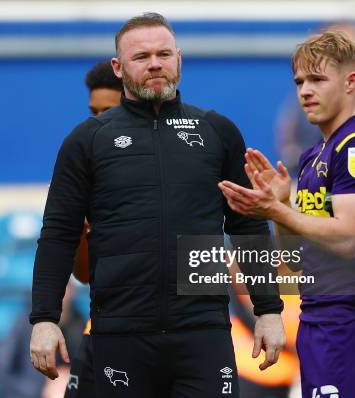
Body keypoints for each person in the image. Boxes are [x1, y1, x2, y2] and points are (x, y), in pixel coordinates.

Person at [30, 13, 285, 398]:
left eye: (164, 54)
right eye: (141, 56)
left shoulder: (217, 132)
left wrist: (268, 310)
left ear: (178, 59)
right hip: (121, 332)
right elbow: (58, 235)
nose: (155, 64)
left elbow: (246, 226)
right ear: (118, 67)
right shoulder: (87, 141)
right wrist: (45, 319)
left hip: (203, 330)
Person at [219, 30, 355, 397]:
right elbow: (297, 256)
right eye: (300, 81)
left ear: (351, 82)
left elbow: (349, 237)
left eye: (317, 79)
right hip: (319, 312)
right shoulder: (314, 155)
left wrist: (275, 209)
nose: (305, 91)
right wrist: (281, 207)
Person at [65, 60, 123, 398]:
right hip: (102, 329)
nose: (99, 122)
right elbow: (85, 274)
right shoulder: (85, 175)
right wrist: (83, 226)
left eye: (109, 111)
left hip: (159, 339)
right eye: (94, 111)